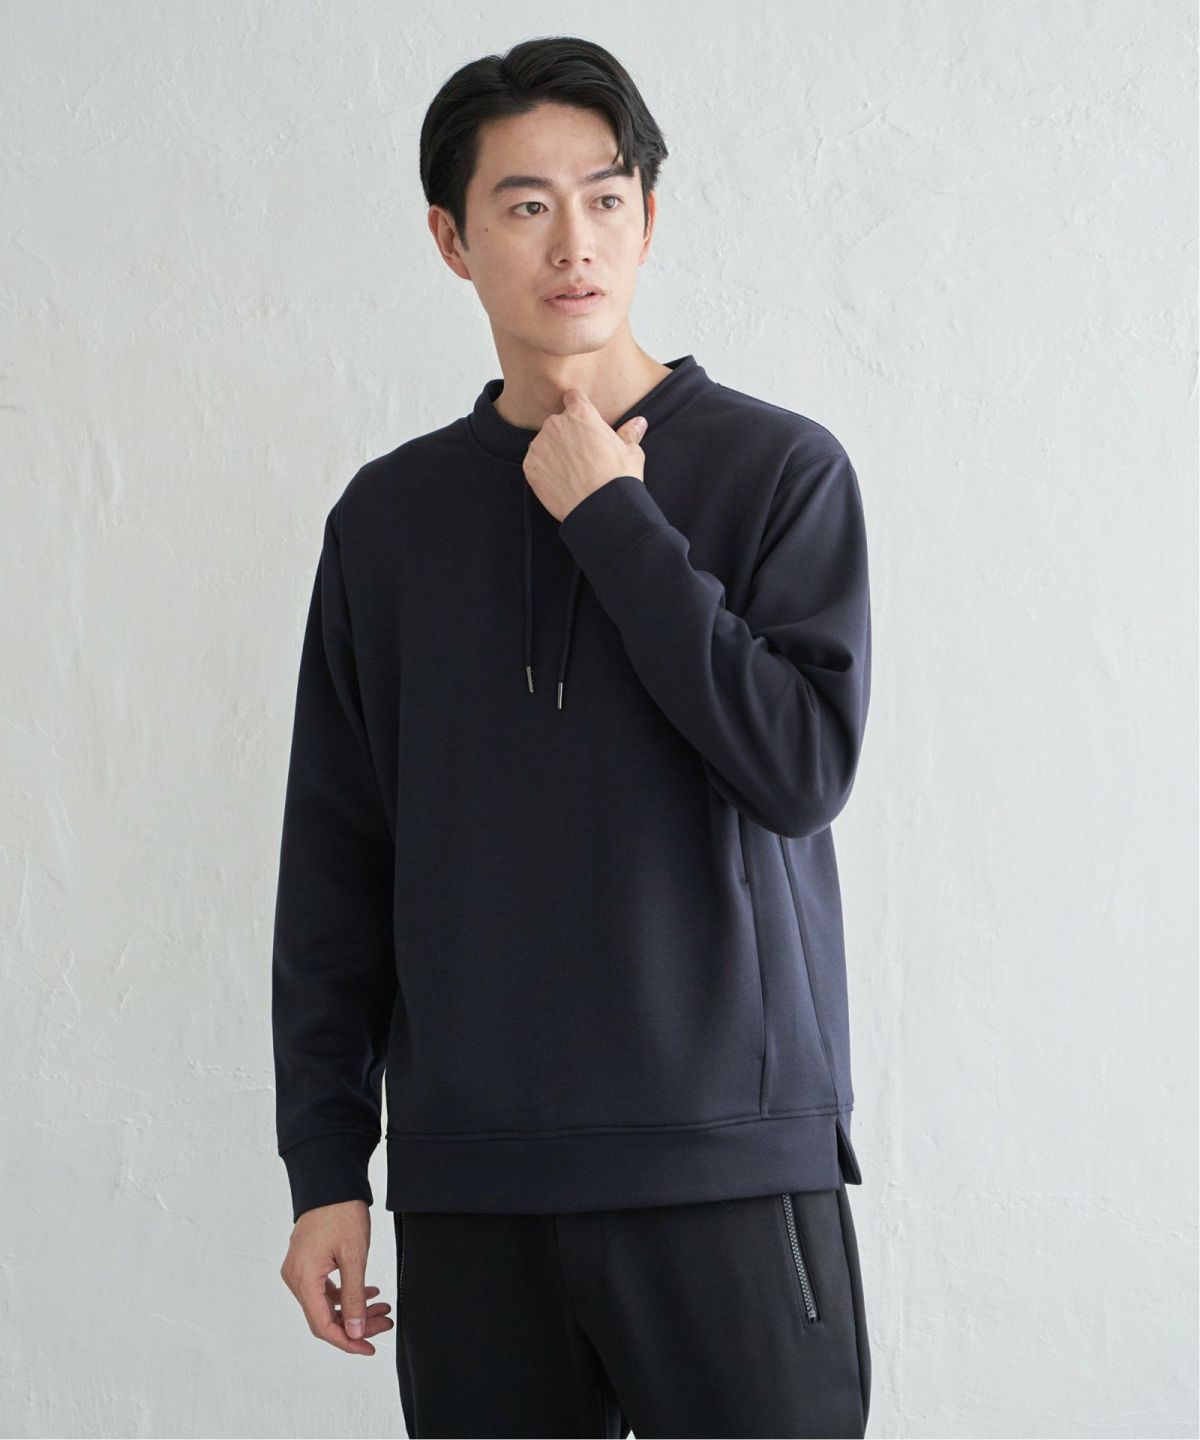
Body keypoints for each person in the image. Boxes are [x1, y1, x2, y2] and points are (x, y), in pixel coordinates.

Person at [272, 33, 874, 1439]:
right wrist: (326, 1166)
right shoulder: (388, 521)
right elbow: (337, 864)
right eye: (526, 205)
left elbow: (800, 770)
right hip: (474, 1189)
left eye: (606, 199)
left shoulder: (780, 472)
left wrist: (615, 519)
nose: (574, 243)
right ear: (452, 238)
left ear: (649, 219)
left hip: (726, 1171)